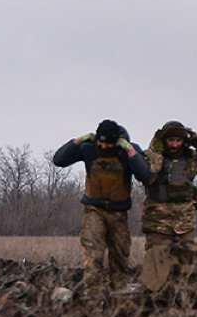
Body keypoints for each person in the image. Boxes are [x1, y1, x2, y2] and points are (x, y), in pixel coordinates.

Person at [52, 119, 150, 295]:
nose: (104, 147)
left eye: (108, 143)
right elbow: (58, 160)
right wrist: (78, 140)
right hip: (94, 209)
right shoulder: (88, 148)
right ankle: (94, 291)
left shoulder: (128, 150)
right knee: (93, 252)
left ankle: (119, 288)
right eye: (101, 142)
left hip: (118, 212)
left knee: (120, 254)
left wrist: (129, 150)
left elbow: (145, 175)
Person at [141, 121, 197, 252]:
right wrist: (156, 151)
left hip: (184, 221)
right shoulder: (151, 156)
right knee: (158, 260)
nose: (174, 145)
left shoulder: (191, 158)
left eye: (178, 140)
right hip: (157, 221)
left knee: (185, 261)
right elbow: (149, 175)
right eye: (171, 140)